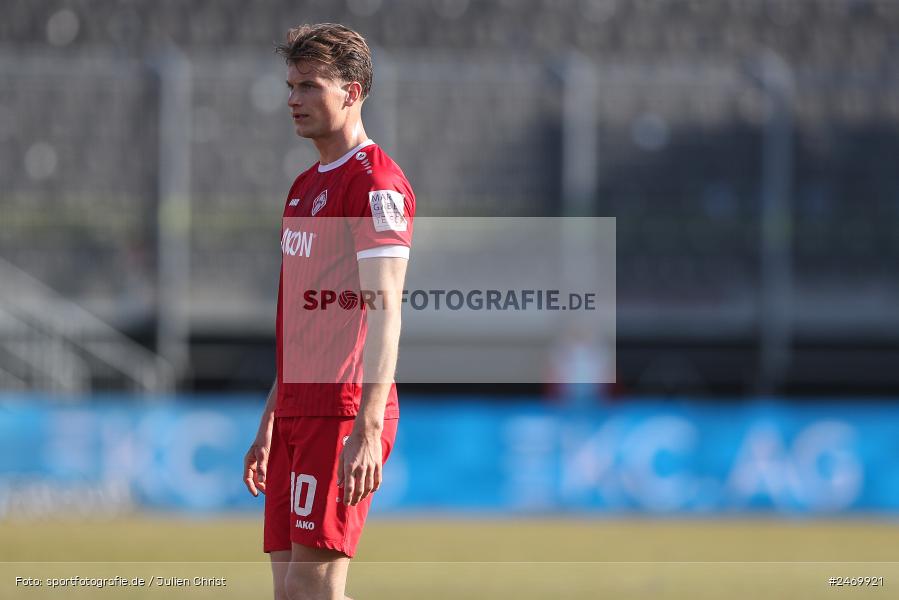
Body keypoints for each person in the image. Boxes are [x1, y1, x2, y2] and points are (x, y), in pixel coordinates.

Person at [242, 23, 415, 600]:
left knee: (312, 590)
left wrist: (367, 425)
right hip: (297, 408)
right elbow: (301, 319)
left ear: (353, 89)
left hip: (341, 409)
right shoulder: (301, 188)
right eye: (290, 86)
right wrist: (273, 414)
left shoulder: (376, 184)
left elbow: (387, 310)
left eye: (310, 86)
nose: (294, 99)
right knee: (290, 592)